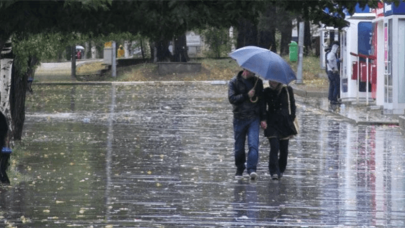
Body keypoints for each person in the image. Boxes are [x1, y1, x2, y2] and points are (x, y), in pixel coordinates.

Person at [228, 69, 267, 180]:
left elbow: (261, 102)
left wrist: (263, 118)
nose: (248, 72)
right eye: (247, 70)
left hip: (253, 118)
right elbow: (232, 99)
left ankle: (252, 169)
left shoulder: (257, 83)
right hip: (239, 118)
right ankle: (239, 169)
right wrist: (246, 95)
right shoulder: (234, 82)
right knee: (239, 148)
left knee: (253, 145)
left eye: (251, 71)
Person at [263, 81, 296, 180]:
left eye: (274, 80)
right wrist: (263, 119)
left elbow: (292, 105)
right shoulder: (266, 91)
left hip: (285, 123)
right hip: (272, 123)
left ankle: (281, 169)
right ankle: (273, 171)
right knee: (274, 146)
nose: (272, 82)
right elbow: (263, 107)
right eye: (271, 80)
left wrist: (291, 119)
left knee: (284, 150)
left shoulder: (287, 90)